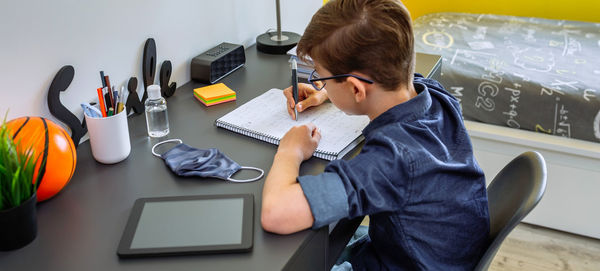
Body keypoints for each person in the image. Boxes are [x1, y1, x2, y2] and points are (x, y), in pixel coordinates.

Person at [260, 0, 490, 270]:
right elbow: (384, 85)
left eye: (320, 77)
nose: (317, 83)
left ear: (356, 89)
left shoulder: (391, 161)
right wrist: (330, 92)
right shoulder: (436, 96)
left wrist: (290, 151)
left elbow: (276, 213)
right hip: (443, 254)